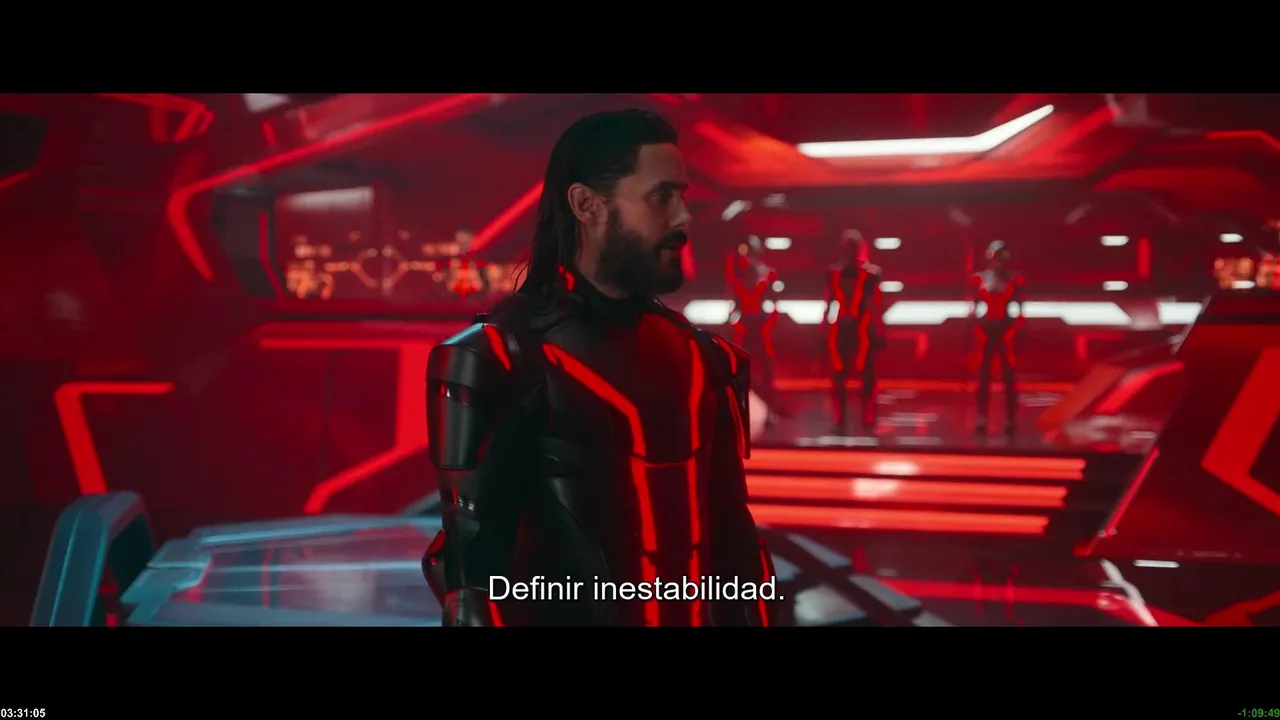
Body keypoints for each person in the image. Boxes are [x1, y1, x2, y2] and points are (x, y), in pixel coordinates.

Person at [422, 109, 774, 627]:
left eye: (682, 196)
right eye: (661, 196)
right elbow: (472, 580)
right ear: (586, 204)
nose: (683, 217)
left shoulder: (705, 358)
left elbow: (739, 550)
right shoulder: (497, 359)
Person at [822, 230, 885, 433]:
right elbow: (828, 302)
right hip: (842, 326)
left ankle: (868, 419)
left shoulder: (871, 274)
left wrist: (879, 330)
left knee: (867, 375)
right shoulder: (834, 273)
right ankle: (840, 420)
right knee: (838, 375)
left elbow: (876, 303)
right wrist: (824, 328)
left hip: (862, 327)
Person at [969, 240, 1025, 436]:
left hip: (1005, 329)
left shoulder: (1014, 279)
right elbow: (974, 306)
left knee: (1009, 376)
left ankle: (1010, 418)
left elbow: (1020, 309)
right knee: (983, 375)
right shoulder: (980, 279)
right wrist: (974, 325)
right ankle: (982, 416)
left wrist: (1016, 330)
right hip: (986, 329)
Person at [725, 236, 781, 413]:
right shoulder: (737, 276)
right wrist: (734, 321)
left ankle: (769, 405)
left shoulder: (767, 274)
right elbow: (734, 302)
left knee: (766, 364)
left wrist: (769, 322)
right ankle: (740, 402)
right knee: (740, 363)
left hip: (760, 323)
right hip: (744, 323)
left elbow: (773, 300)